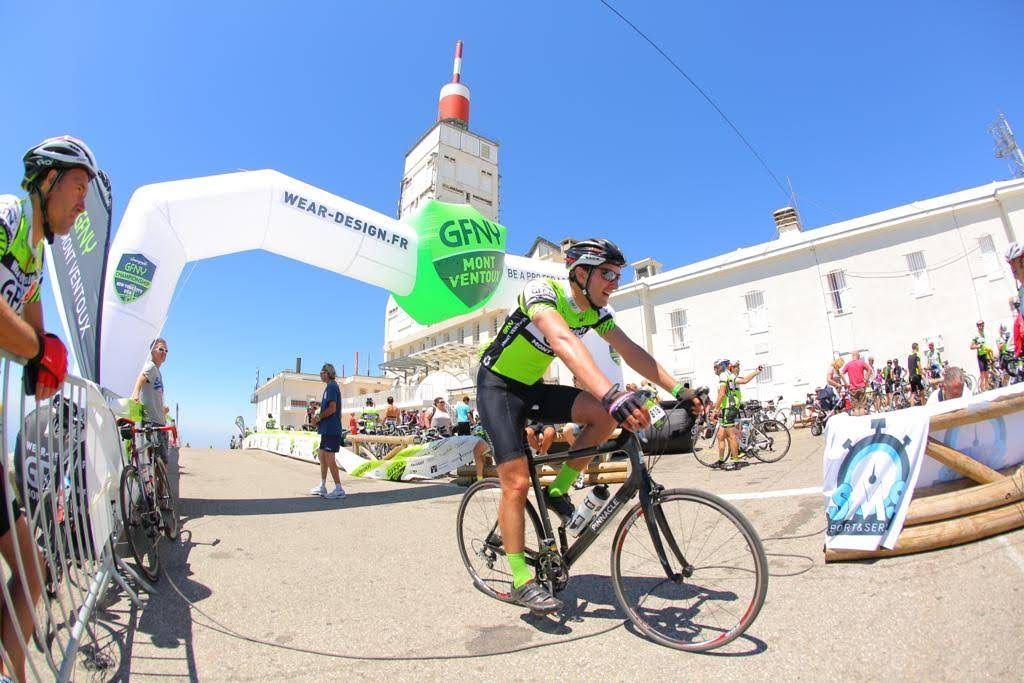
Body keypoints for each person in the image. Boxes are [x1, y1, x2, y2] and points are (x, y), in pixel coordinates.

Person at [475, 238, 691, 613]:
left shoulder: (594, 312)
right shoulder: (543, 292)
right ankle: (521, 579)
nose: (615, 283)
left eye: (618, 275)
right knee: (518, 481)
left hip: (533, 389)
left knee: (603, 417)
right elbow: (560, 340)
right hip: (497, 387)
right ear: (581, 273)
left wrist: (681, 389)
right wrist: (611, 393)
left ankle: (559, 490)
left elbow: (632, 352)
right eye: (608, 274)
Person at [0, 135, 97, 683]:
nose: (82, 205)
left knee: (32, 572)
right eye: (78, 189)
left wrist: (44, 356)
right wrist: (41, 351)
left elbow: (36, 360)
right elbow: (34, 347)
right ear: (48, 181)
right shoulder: (9, 215)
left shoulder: (34, 258)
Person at [714, 360, 762, 469]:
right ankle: (721, 461)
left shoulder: (724, 375)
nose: (714, 370)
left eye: (715, 367)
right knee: (720, 435)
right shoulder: (729, 375)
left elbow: (721, 394)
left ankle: (736, 463)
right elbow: (743, 381)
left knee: (731, 436)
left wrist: (715, 409)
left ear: (721, 367)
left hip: (729, 407)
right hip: (728, 406)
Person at [310, 363, 346, 499]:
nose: (320, 374)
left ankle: (339, 489)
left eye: (322, 371)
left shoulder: (331, 387)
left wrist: (318, 417)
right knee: (322, 455)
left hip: (332, 429)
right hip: (326, 429)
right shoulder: (329, 387)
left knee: (330, 458)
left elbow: (332, 408)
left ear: (328, 373)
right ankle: (323, 485)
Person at [970, 321, 993, 391]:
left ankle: (987, 386)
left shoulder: (984, 334)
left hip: (985, 354)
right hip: (980, 356)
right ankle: (982, 387)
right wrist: (978, 346)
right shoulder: (976, 336)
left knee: (987, 372)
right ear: (977, 326)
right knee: (982, 373)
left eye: (982, 325)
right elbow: (971, 346)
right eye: (979, 325)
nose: (981, 327)